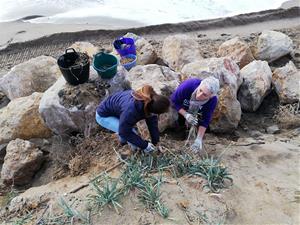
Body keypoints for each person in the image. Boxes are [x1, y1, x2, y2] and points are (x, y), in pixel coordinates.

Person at [96, 85, 170, 153]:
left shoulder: (150, 102)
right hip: (104, 116)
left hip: (119, 111)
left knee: (125, 130)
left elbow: (152, 124)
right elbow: (124, 132)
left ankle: (123, 142)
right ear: (152, 111)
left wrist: (156, 142)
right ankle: (135, 151)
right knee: (131, 133)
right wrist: (145, 146)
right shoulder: (131, 111)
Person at [171, 76, 220, 153]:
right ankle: (180, 128)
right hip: (182, 106)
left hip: (197, 112)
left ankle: (190, 133)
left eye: (205, 95)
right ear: (200, 85)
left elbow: (206, 119)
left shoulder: (212, 101)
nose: (199, 95)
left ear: (210, 96)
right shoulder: (188, 86)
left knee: (198, 122)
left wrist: (199, 139)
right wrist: (185, 114)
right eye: (200, 90)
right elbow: (174, 101)